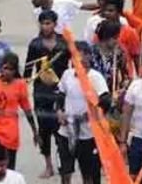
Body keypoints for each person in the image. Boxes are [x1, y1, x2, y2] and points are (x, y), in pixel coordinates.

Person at [23, 10, 68, 179]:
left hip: (60, 90)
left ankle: (63, 162)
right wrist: (23, 86)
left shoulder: (63, 44)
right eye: (43, 23)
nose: (45, 26)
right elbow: (28, 68)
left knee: (61, 127)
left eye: (49, 23)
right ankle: (48, 165)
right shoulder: (35, 45)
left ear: (55, 24)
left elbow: (73, 64)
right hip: (41, 91)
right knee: (44, 128)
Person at [57, 43, 110, 184]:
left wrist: (93, 113)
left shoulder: (95, 78)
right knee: (65, 170)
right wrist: (59, 111)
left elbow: (105, 101)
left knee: (89, 172)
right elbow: (61, 94)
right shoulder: (67, 74)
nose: (77, 59)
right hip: (66, 131)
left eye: (80, 55)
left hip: (88, 132)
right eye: (74, 56)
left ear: (88, 56)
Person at [0, 53, 36, 171]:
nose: (7, 72)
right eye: (5, 68)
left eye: (11, 69)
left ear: (15, 70)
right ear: (1, 67)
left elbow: (27, 109)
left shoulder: (20, 85)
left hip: (10, 132)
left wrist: (35, 131)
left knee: (9, 168)